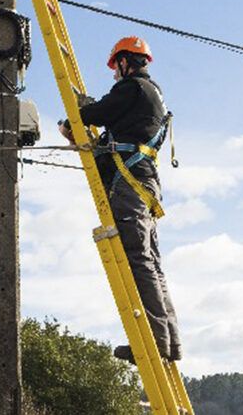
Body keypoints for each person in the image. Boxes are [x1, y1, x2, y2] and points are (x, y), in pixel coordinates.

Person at [58, 36, 182, 363]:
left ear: (127, 61)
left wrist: (75, 116)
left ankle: (154, 342)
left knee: (138, 260)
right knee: (150, 263)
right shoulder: (151, 96)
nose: (115, 74)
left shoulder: (132, 90)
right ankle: (169, 342)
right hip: (142, 181)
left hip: (131, 185)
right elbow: (112, 144)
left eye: (117, 67)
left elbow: (95, 113)